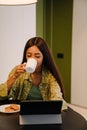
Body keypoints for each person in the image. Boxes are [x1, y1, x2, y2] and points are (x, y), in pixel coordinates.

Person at [0, 37, 67, 110]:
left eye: (37, 56)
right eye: (29, 55)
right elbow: (1, 96)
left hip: (43, 113)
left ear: (44, 57)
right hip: (21, 113)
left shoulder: (49, 76)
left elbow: (58, 100)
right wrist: (14, 77)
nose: (32, 59)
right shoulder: (18, 71)